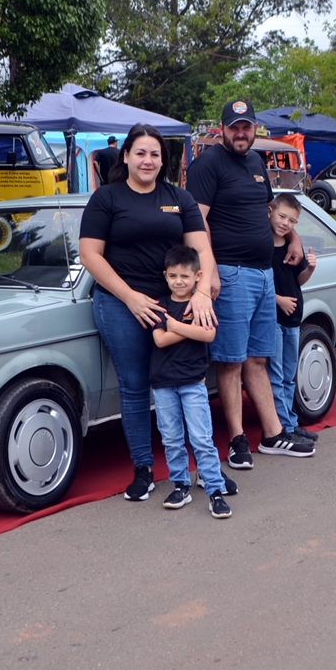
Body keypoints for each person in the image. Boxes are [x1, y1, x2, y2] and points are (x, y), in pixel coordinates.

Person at [79, 124, 217, 501]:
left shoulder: (179, 197)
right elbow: (90, 254)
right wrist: (130, 297)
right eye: (140, 152)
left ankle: (206, 471)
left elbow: (202, 250)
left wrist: (201, 293)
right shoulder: (106, 198)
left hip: (175, 303)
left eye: (155, 154)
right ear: (125, 156)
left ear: (162, 160)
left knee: (189, 382)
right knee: (135, 385)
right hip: (121, 304)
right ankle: (143, 468)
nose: (147, 160)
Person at [187, 98, 314, 468]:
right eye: (234, 127)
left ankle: (273, 434)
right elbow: (197, 221)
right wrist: (210, 270)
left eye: (247, 127)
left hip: (263, 273)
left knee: (258, 358)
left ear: (255, 128)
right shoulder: (207, 164)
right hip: (231, 273)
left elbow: (269, 209)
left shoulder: (257, 162)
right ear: (222, 129)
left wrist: (294, 238)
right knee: (231, 361)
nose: (241, 133)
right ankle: (237, 440)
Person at [150, 244, 238, 519]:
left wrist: (176, 326)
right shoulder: (160, 305)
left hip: (193, 383)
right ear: (165, 276)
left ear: (198, 276)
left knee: (201, 438)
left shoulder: (200, 304)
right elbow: (160, 339)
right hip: (163, 384)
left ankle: (215, 490)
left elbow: (208, 335)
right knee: (171, 438)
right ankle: (181, 486)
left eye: (185, 276)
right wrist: (191, 328)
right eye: (173, 276)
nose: (178, 281)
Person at [267, 194, 319, 444]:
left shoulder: (292, 247)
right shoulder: (263, 245)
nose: (285, 223)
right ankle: (281, 427)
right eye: (282, 216)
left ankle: (290, 422)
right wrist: (278, 299)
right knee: (276, 375)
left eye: (292, 221)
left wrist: (310, 268)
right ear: (270, 212)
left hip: (293, 320)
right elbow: (259, 283)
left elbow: (298, 279)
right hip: (274, 318)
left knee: (289, 375)